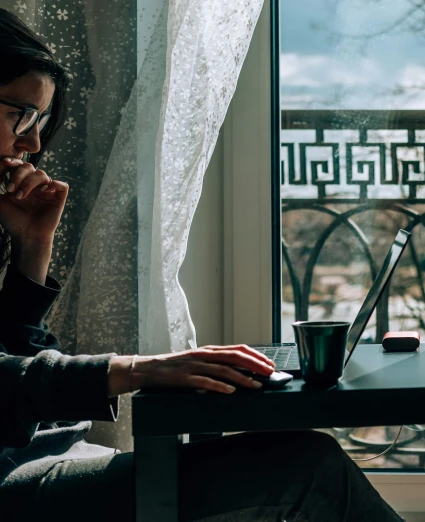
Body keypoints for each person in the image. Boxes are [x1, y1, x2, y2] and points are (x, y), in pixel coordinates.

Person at [0, 9, 403, 522]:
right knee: (310, 466)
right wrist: (138, 369)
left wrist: (33, 247)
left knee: (299, 461)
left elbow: (13, 355)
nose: (33, 144)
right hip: (16, 479)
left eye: (38, 122)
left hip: (49, 457)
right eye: (22, 115)